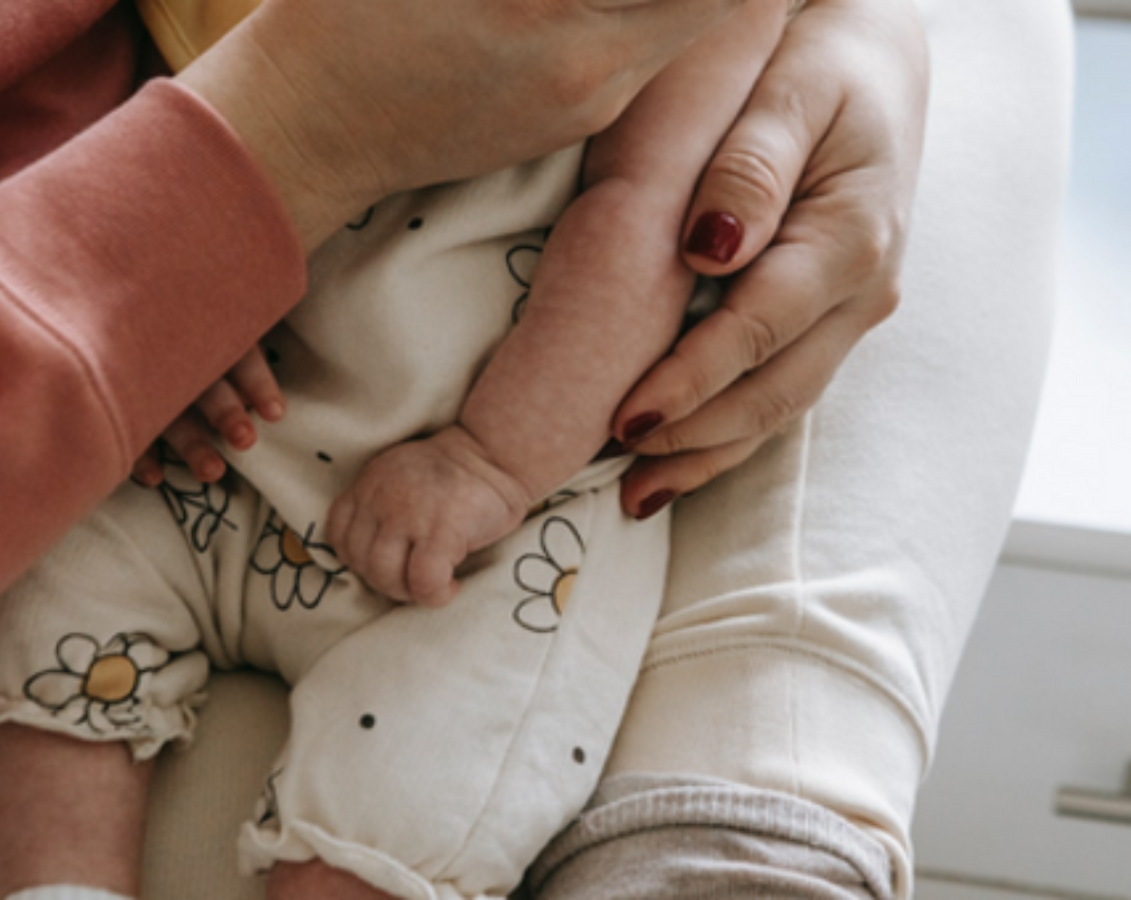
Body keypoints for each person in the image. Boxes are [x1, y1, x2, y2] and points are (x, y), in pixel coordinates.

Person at [0, 0, 1075, 898]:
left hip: (481, 512)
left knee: (430, 757)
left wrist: (488, 463)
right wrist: (153, 269)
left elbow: (642, 222)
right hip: (198, 433)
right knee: (65, 605)